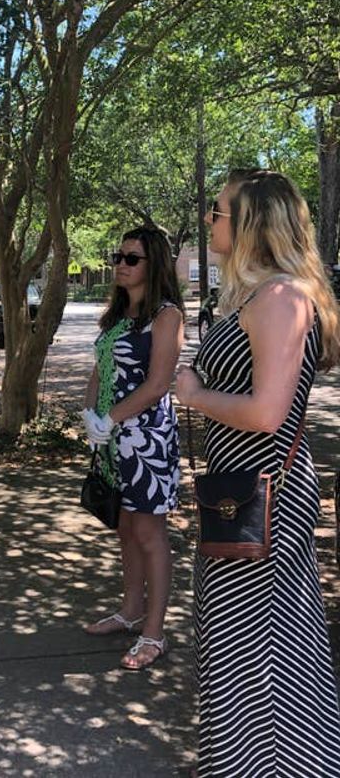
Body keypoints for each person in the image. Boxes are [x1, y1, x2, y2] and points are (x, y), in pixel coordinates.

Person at [176, 169, 340, 777]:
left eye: (218, 211)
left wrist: (193, 396)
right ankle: (236, 759)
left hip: (264, 489)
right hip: (239, 488)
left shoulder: (282, 299)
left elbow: (268, 413)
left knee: (264, 643)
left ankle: (276, 763)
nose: (210, 220)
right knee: (235, 635)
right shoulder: (255, 295)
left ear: (250, 223)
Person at [81, 226, 184, 670]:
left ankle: (155, 633)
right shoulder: (118, 317)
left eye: (131, 258)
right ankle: (130, 611)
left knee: (149, 534)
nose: (120, 264)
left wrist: (111, 417)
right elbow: (101, 371)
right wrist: (89, 415)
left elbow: (159, 384)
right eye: (117, 256)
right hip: (112, 440)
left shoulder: (167, 316)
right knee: (125, 529)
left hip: (147, 443)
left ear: (153, 264)